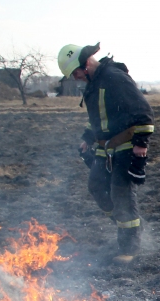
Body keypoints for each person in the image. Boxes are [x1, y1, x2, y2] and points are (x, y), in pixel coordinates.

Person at [57, 43, 154, 264]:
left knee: (121, 194)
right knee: (97, 186)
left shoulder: (114, 77)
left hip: (126, 147)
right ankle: (129, 226)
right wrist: (88, 138)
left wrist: (141, 145)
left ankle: (129, 249)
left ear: (85, 63)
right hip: (106, 148)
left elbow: (143, 112)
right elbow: (101, 117)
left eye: (76, 72)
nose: (77, 78)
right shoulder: (95, 83)